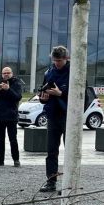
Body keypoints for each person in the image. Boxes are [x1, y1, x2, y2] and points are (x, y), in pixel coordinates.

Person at [39, 46, 70, 193]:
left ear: (66, 59)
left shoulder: (73, 73)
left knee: (70, 151)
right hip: (53, 115)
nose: (57, 63)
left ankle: (70, 183)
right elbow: (44, 93)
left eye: (59, 60)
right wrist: (43, 99)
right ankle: (51, 181)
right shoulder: (49, 73)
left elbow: (78, 97)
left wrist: (61, 93)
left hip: (68, 116)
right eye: (55, 60)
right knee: (51, 151)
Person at [0, 66, 22, 167]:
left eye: (8, 73)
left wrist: (8, 89)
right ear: (2, 74)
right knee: (0, 139)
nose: (6, 75)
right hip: (0, 116)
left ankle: (16, 159)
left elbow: (17, 97)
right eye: (4, 73)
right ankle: (0, 160)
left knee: (13, 139)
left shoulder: (16, 83)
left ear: (12, 73)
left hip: (11, 116)